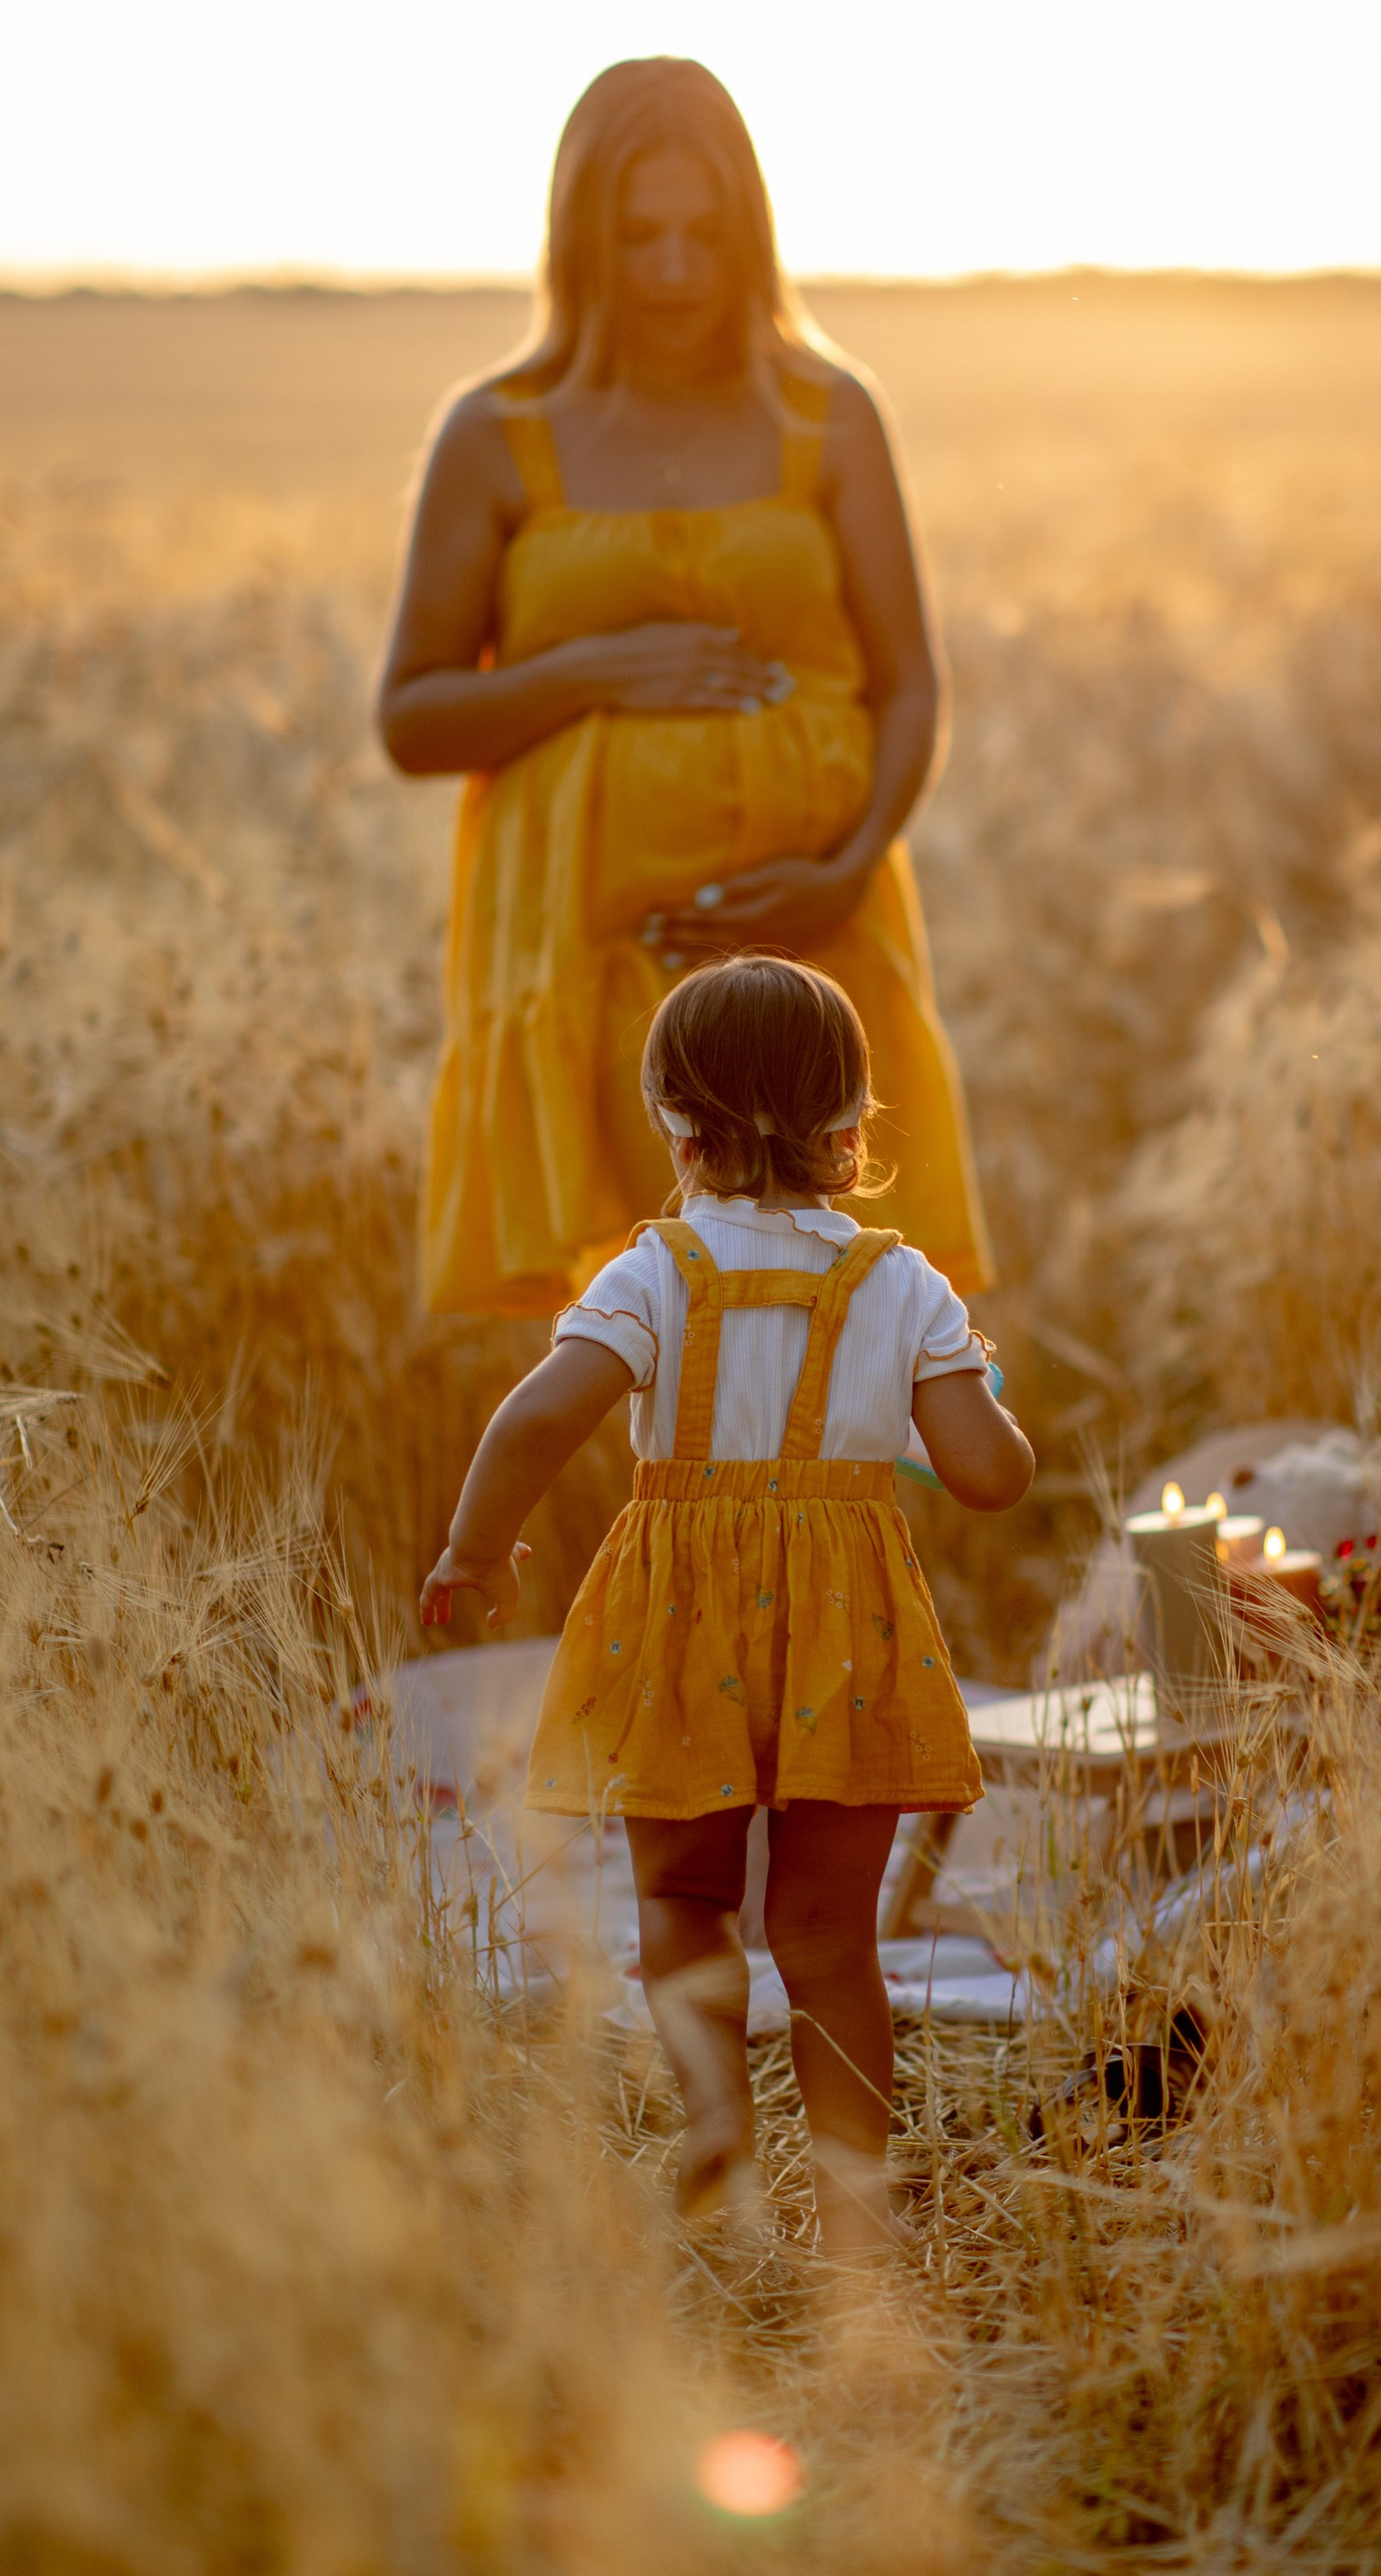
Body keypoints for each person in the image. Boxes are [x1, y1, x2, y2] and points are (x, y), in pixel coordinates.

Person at [420, 955, 1032, 2256]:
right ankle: (856, 2212)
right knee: (826, 1934)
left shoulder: (654, 1273)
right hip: (844, 1625)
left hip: (676, 1617)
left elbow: (539, 1413)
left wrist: (478, 1549)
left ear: (677, 1127)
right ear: (853, 1129)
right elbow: (988, 1474)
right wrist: (983, 1383)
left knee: (683, 1895)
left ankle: (714, 2122)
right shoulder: (899, 1283)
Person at [376, 55, 992, 1315]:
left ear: (750, 234)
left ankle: (837, 1526)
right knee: (642, 1327)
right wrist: (593, 672)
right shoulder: (497, 433)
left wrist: (848, 864)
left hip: (820, 936)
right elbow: (412, 718)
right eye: (635, 237)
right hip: (600, 951)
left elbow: (912, 684)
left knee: (848, 1319)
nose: (668, 272)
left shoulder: (829, 414)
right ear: (577, 242)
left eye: (702, 237)